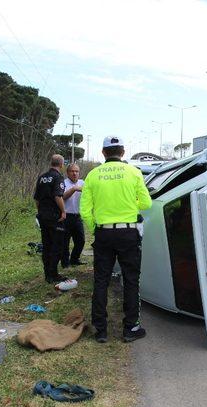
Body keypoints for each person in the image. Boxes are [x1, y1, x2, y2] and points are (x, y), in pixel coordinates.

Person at [80, 136, 152, 344]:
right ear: (122, 152)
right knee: (131, 279)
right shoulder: (133, 172)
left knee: (101, 280)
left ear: (103, 153)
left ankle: (100, 330)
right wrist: (131, 202)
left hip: (104, 233)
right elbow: (146, 203)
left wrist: (97, 229)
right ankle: (131, 328)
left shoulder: (93, 175)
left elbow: (85, 211)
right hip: (128, 233)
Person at [33, 154, 74, 285]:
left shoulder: (42, 177)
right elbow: (58, 196)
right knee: (57, 246)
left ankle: (47, 274)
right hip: (54, 217)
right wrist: (63, 211)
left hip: (43, 216)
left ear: (51, 163)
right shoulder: (58, 177)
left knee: (47, 245)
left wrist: (40, 212)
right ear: (61, 164)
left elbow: (37, 199)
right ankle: (53, 274)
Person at [61, 163, 86, 267]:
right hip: (66, 216)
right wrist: (74, 189)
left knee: (81, 240)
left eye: (76, 171)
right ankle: (65, 263)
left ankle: (74, 259)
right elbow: (62, 198)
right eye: (72, 171)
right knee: (64, 242)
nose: (74, 173)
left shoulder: (83, 183)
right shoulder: (63, 183)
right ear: (67, 173)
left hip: (77, 216)